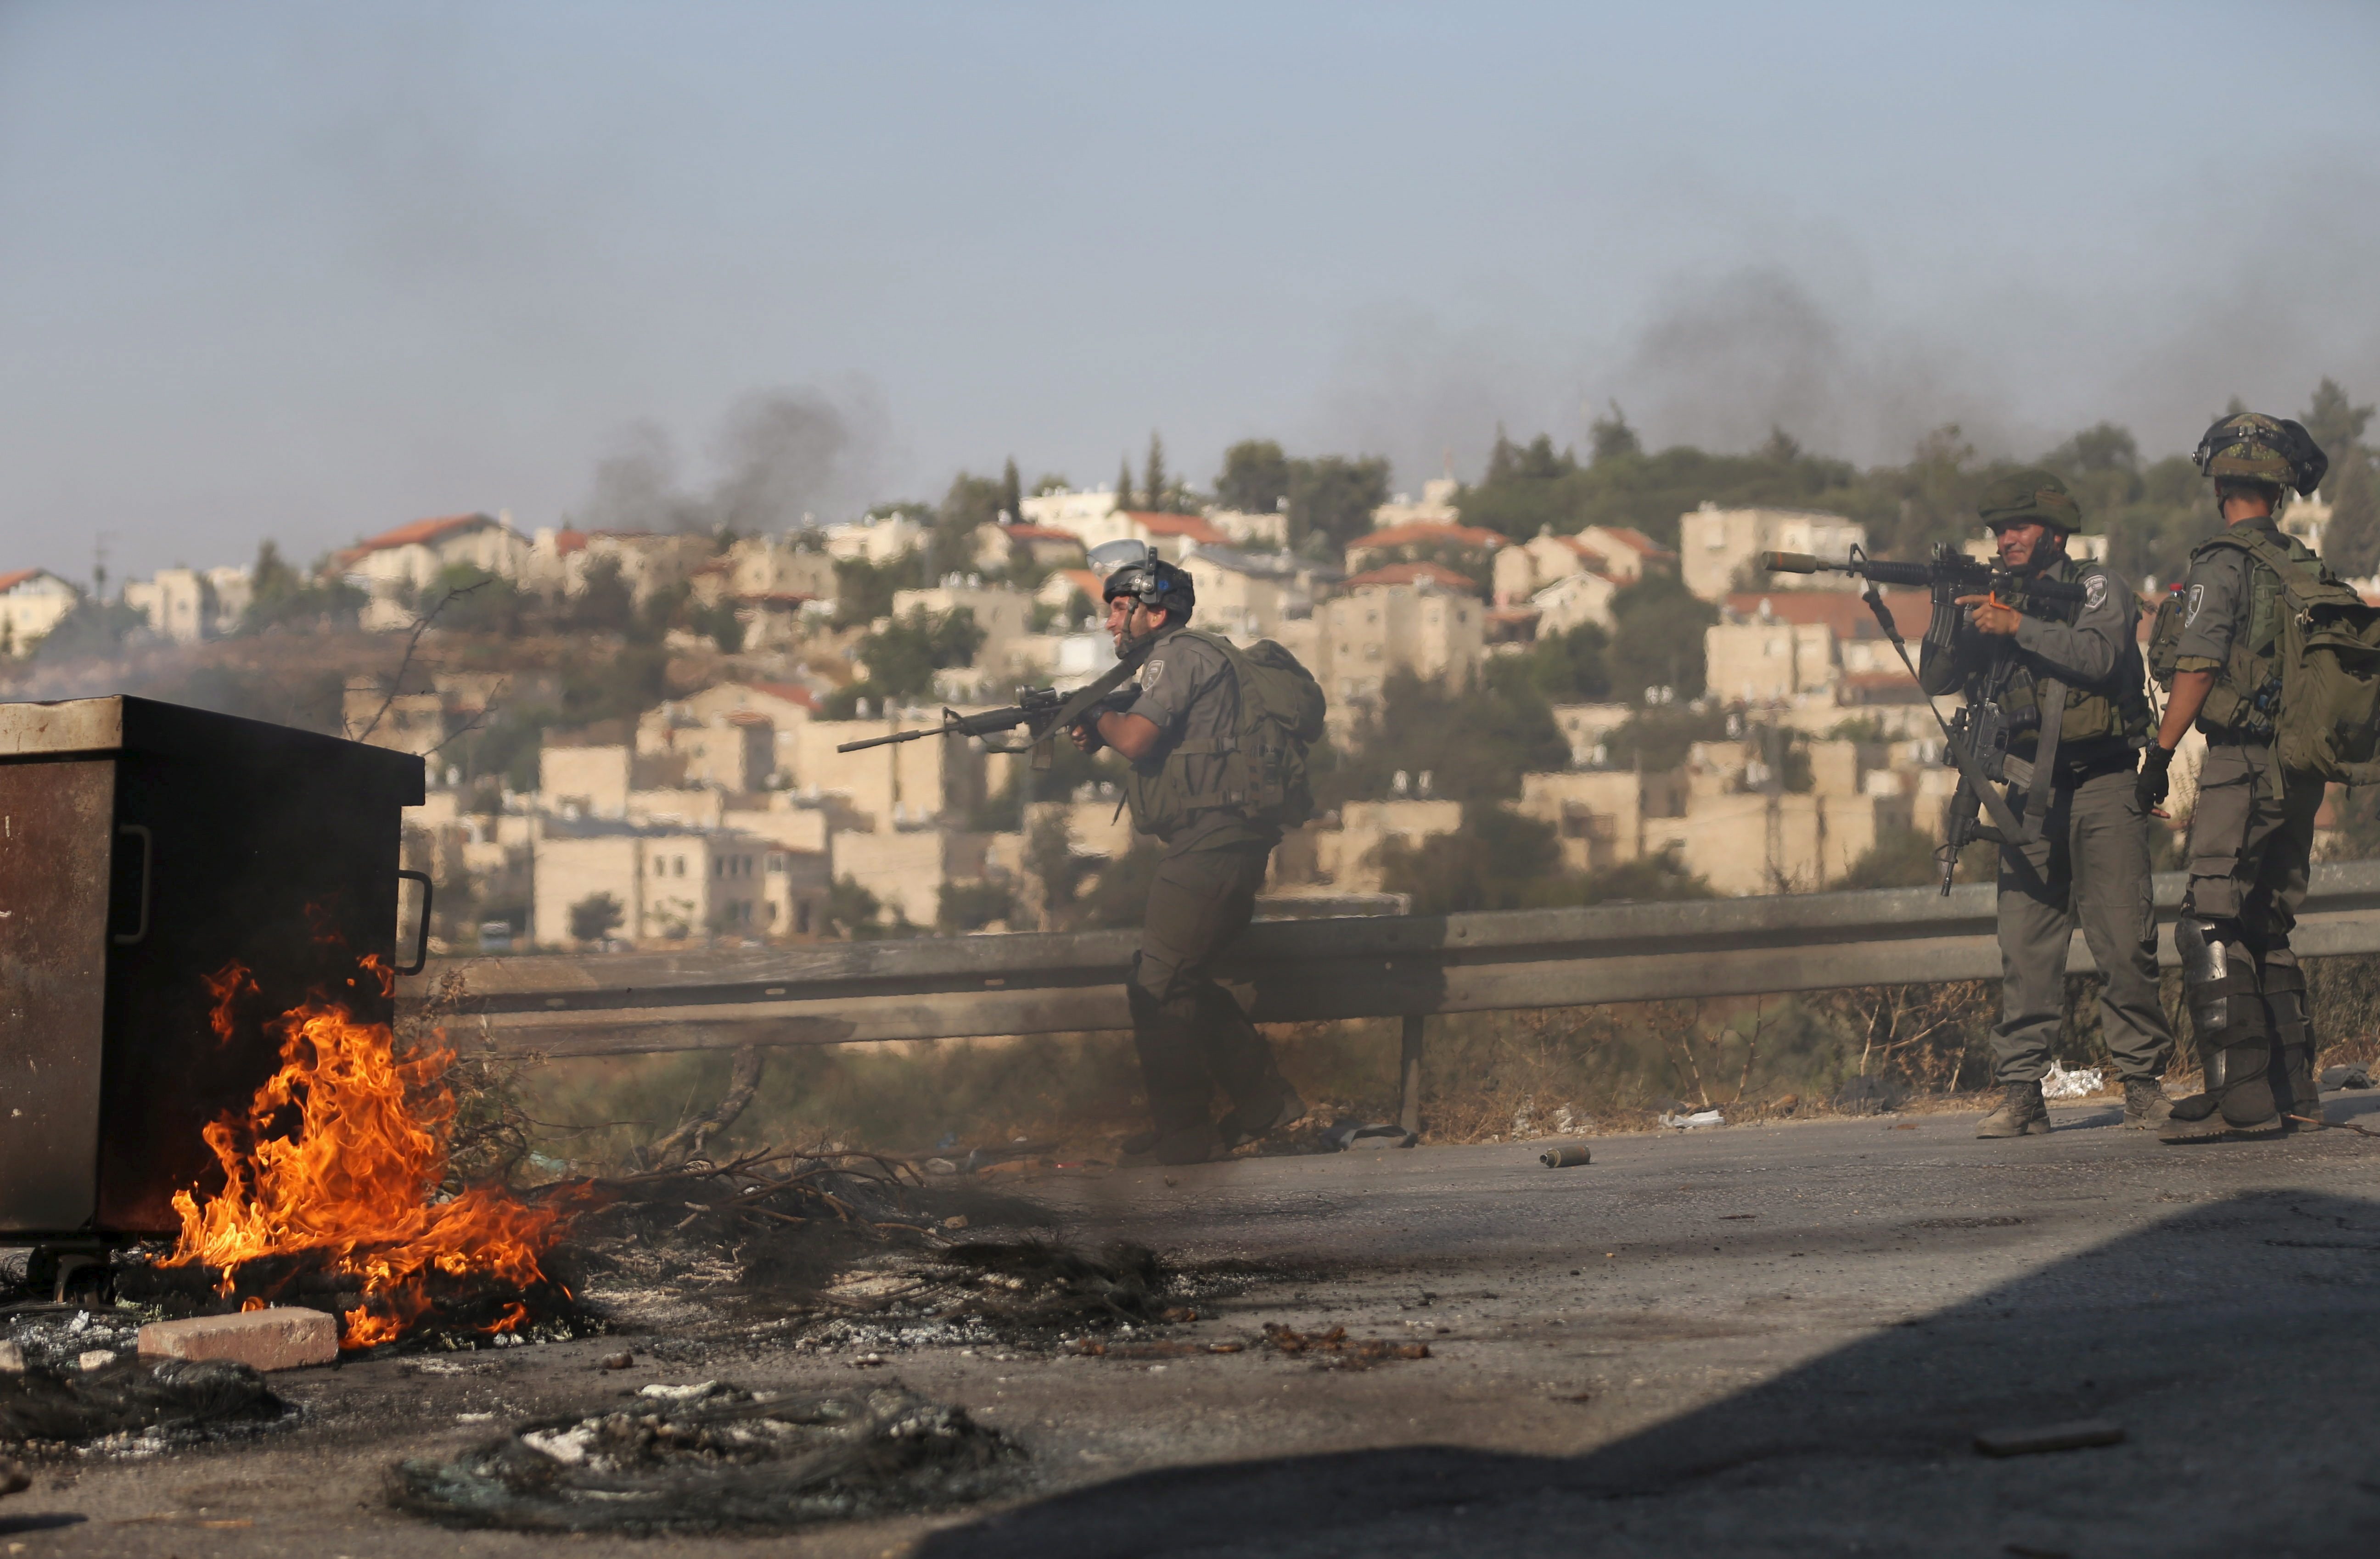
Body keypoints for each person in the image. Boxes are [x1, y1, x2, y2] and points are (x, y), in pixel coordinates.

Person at [1919, 470, 2174, 1138]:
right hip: (2026, 789)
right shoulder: (1996, 599)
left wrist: (2017, 622)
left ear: (2055, 533)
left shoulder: (2095, 587)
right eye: (1999, 529)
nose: (2006, 539)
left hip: (2105, 783)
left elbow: (2096, 655)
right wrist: (1951, 610)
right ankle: (2023, 1094)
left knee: (2124, 942)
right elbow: (1938, 678)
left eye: (2019, 527)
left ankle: (2143, 1085)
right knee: (2026, 948)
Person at [1070, 541, 1307, 1165]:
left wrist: (1096, 715)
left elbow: (1141, 740)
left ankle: (1187, 1134)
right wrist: (1096, 721)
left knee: (1159, 982)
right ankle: (1262, 1102)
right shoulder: (1185, 658)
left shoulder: (1176, 657)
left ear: (1156, 610)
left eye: (1121, 607)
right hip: (1217, 842)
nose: (1110, 621)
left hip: (1214, 843)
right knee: (1180, 977)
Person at [2138, 413, 2332, 1143]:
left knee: (2209, 920)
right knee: (2267, 920)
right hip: (2300, 770)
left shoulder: (2222, 563)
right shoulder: (2301, 563)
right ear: (2280, 492)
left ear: (2220, 483)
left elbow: (2199, 664)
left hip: (2243, 762)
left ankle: (2238, 1098)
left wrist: (2160, 753)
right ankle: (2295, 1092)